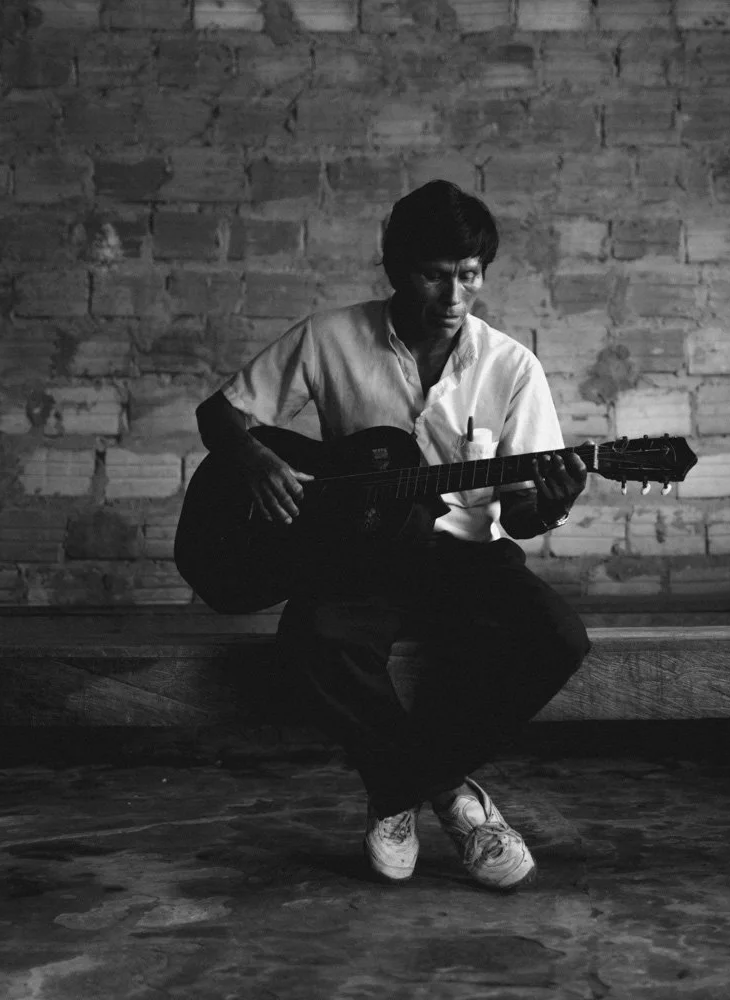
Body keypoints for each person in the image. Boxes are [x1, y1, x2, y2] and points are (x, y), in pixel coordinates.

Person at [192, 180, 590, 891]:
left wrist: (553, 504)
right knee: (311, 638)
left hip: (467, 557)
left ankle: (400, 789)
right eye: (434, 275)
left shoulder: (512, 367)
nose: (453, 295)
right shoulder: (331, 336)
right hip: (362, 554)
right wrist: (254, 460)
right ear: (394, 268)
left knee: (557, 637)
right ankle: (456, 802)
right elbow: (219, 414)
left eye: (468, 275)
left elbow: (523, 515)